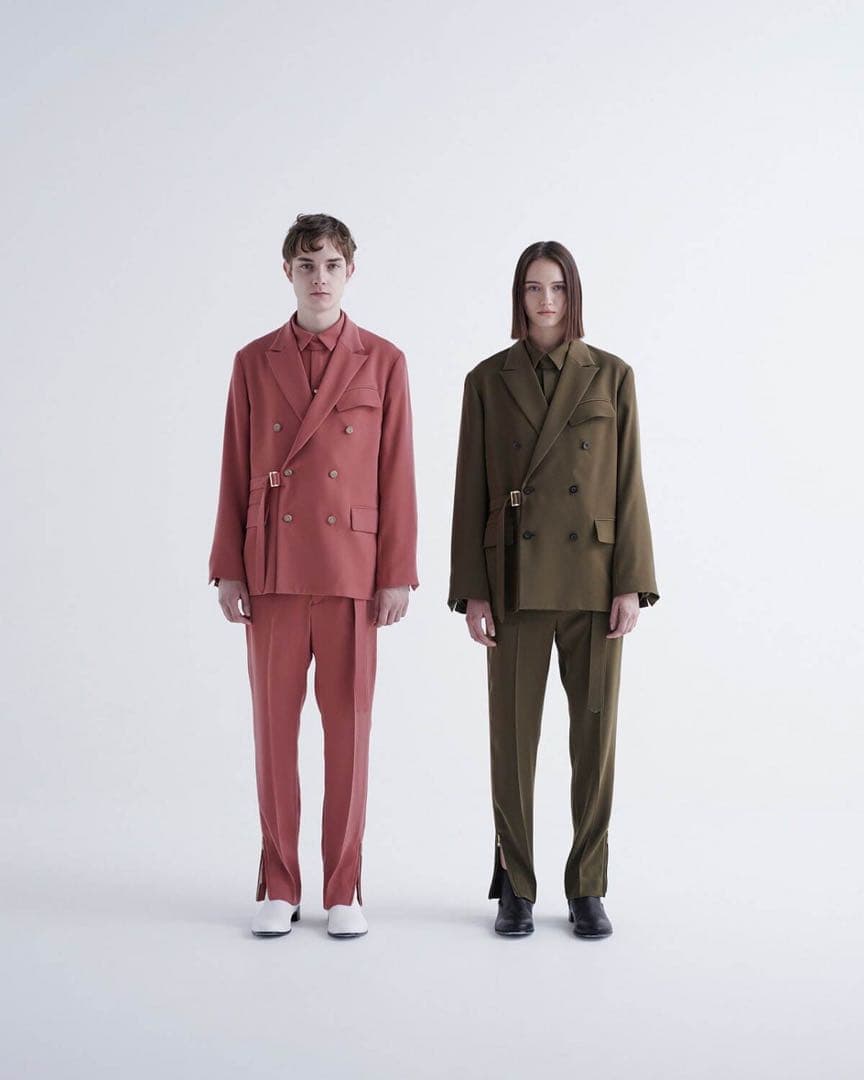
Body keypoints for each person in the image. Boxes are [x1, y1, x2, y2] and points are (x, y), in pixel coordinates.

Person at [209, 213, 419, 939]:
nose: (319, 278)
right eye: (306, 265)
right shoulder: (253, 360)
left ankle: (343, 886)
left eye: (331, 265)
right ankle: (279, 882)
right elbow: (235, 464)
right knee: (274, 732)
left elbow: (397, 473)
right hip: (271, 563)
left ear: (350, 271)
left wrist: (397, 572)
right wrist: (227, 566)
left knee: (349, 731)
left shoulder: (384, 360)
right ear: (287, 272)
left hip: (352, 569)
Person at [448, 240, 659, 938]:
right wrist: (473, 590)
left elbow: (628, 486)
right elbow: (470, 490)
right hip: (513, 580)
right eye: (534, 288)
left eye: (558, 288)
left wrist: (632, 582)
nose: (546, 301)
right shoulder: (487, 380)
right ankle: (515, 884)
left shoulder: (613, 375)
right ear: (519, 297)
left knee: (594, 743)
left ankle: (587, 885)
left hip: (594, 583)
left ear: (574, 296)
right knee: (512, 744)